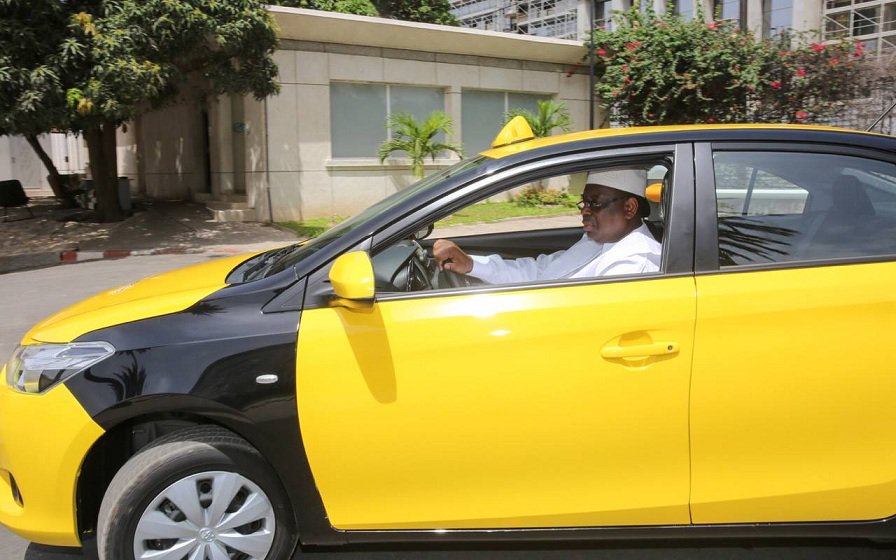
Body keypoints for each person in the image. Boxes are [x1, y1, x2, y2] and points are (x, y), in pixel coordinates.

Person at [432, 168, 662, 284]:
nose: (585, 210)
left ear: (630, 208)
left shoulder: (636, 263)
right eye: (584, 202)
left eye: (595, 203)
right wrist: (472, 265)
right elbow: (540, 271)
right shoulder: (597, 241)